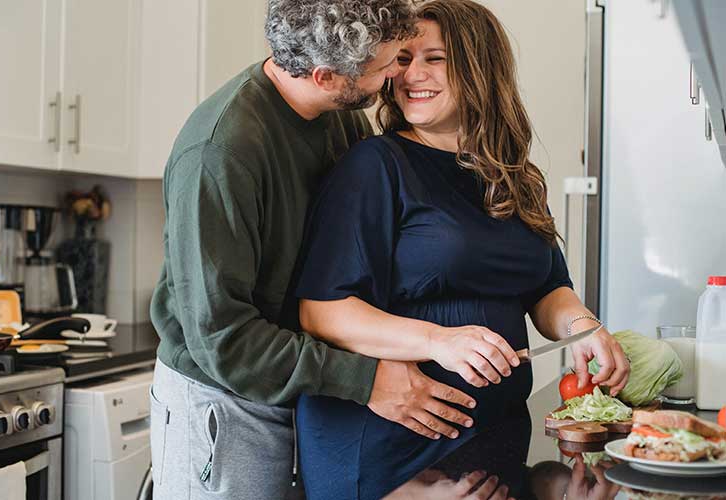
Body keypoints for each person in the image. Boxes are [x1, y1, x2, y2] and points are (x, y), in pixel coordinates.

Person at [146, 1, 488, 499]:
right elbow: (224, 339)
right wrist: (366, 379)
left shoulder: (339, 117)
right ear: (328, 76)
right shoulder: (220, 154)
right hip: (226, 399)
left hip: (301, 387)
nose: (401, 73)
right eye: (389, 63)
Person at [293, 1, 630, 499]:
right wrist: (439, 341)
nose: (412, 75)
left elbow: (545, 285)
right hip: (392, 453)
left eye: (435, 58)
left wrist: (583, 327)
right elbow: (321, 312)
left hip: (493, 440)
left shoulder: (513, 175)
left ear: (479, 68)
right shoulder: (375, 166)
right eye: (403, 59)